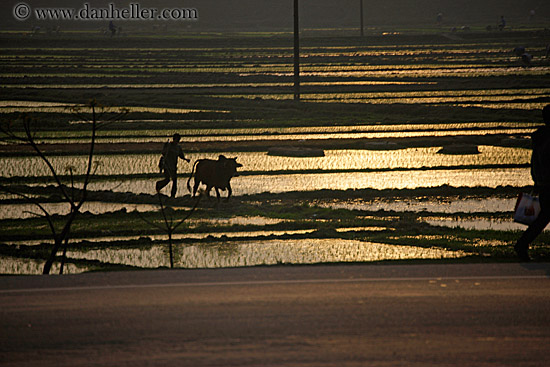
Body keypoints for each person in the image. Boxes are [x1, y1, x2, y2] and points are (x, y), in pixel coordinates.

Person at [515, 105, 550, 261]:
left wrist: (537, 181)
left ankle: (522, 244)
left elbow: (535, 163)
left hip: (543, 184)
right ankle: (522, 244)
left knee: (543, 218)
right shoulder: (547, 140)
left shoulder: (540, 138)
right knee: (543, 218)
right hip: (549, 185)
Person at [155, 133, 190, 198]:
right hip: (167, 166)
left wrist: (186, 159)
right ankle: (159, 184)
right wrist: (167, 148)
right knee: (167, 179)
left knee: (174, 181)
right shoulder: (168, 145)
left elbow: (181, 155)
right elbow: (163, 153)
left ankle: (173, 196)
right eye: (177, 140)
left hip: (173, 166)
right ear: (174, 139)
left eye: (178, 140)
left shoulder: (178, 148)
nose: (177, 141)